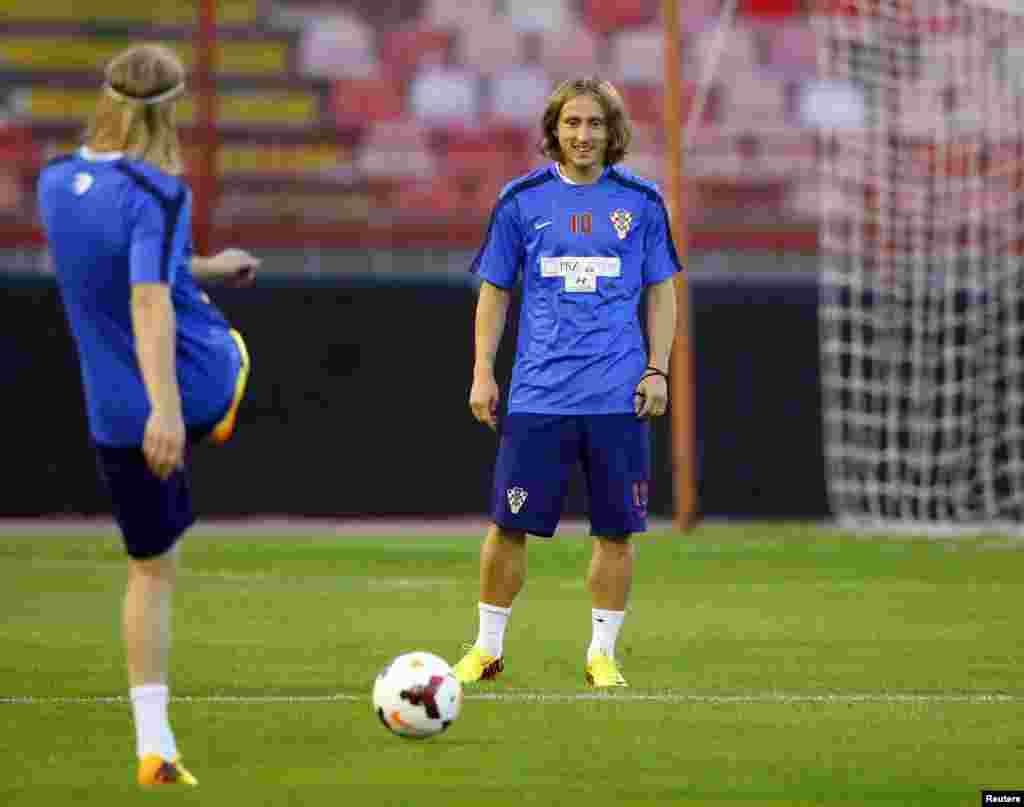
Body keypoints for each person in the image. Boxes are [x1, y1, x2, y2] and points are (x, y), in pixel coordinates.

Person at [36, 44, 260, 787]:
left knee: (149, 570)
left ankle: (154, 743)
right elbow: (148, 299)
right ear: (169, 109)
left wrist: (209, 263)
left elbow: (132, 269)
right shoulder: (160, 191)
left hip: (109, 416)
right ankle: (216, 408)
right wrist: (169, 409)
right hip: (183, 390)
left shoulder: (56, 183)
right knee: (230, 351)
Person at [454, 77, 680, 688]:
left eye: (596, 124)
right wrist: (482, 372)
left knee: (616, 530)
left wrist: (658, 368)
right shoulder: (521, 201)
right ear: (553, 129)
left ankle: (601, 654)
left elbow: (663, 291)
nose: (583, 135)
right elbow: (494, 292)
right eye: (572, 123)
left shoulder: (641, 201)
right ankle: (487, 648)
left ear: (614, 132)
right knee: (508, 525)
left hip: (618, 394)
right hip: (538, 395)